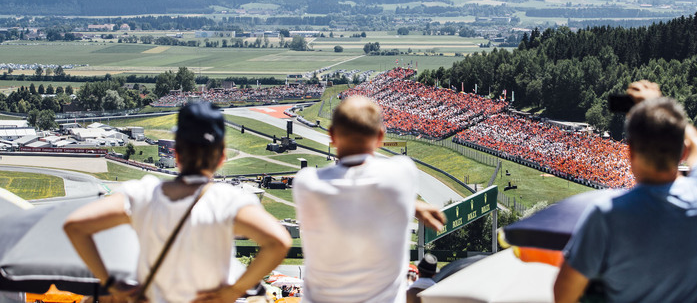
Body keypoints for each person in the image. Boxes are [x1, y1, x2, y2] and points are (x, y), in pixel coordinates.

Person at [64, 101, 292, 303]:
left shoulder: (142, 193)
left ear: (176, 153)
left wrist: (111, 283)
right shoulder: (229, 200)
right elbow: (279, 242)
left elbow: (74, 226)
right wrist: (234, 290)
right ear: (222, 156)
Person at [554, 80, 697, 303]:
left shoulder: (607, 215)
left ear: (629, 152)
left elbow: (563, 295)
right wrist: (659, 107)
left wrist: (654, 108)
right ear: (683, 152)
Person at [293, 95, 445, 303]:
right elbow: (369, 192)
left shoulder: (307, 183)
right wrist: (412, 205)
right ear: (380, 136)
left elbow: (352, 199)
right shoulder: (402, 173)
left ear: (332, 136)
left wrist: (411, 205)